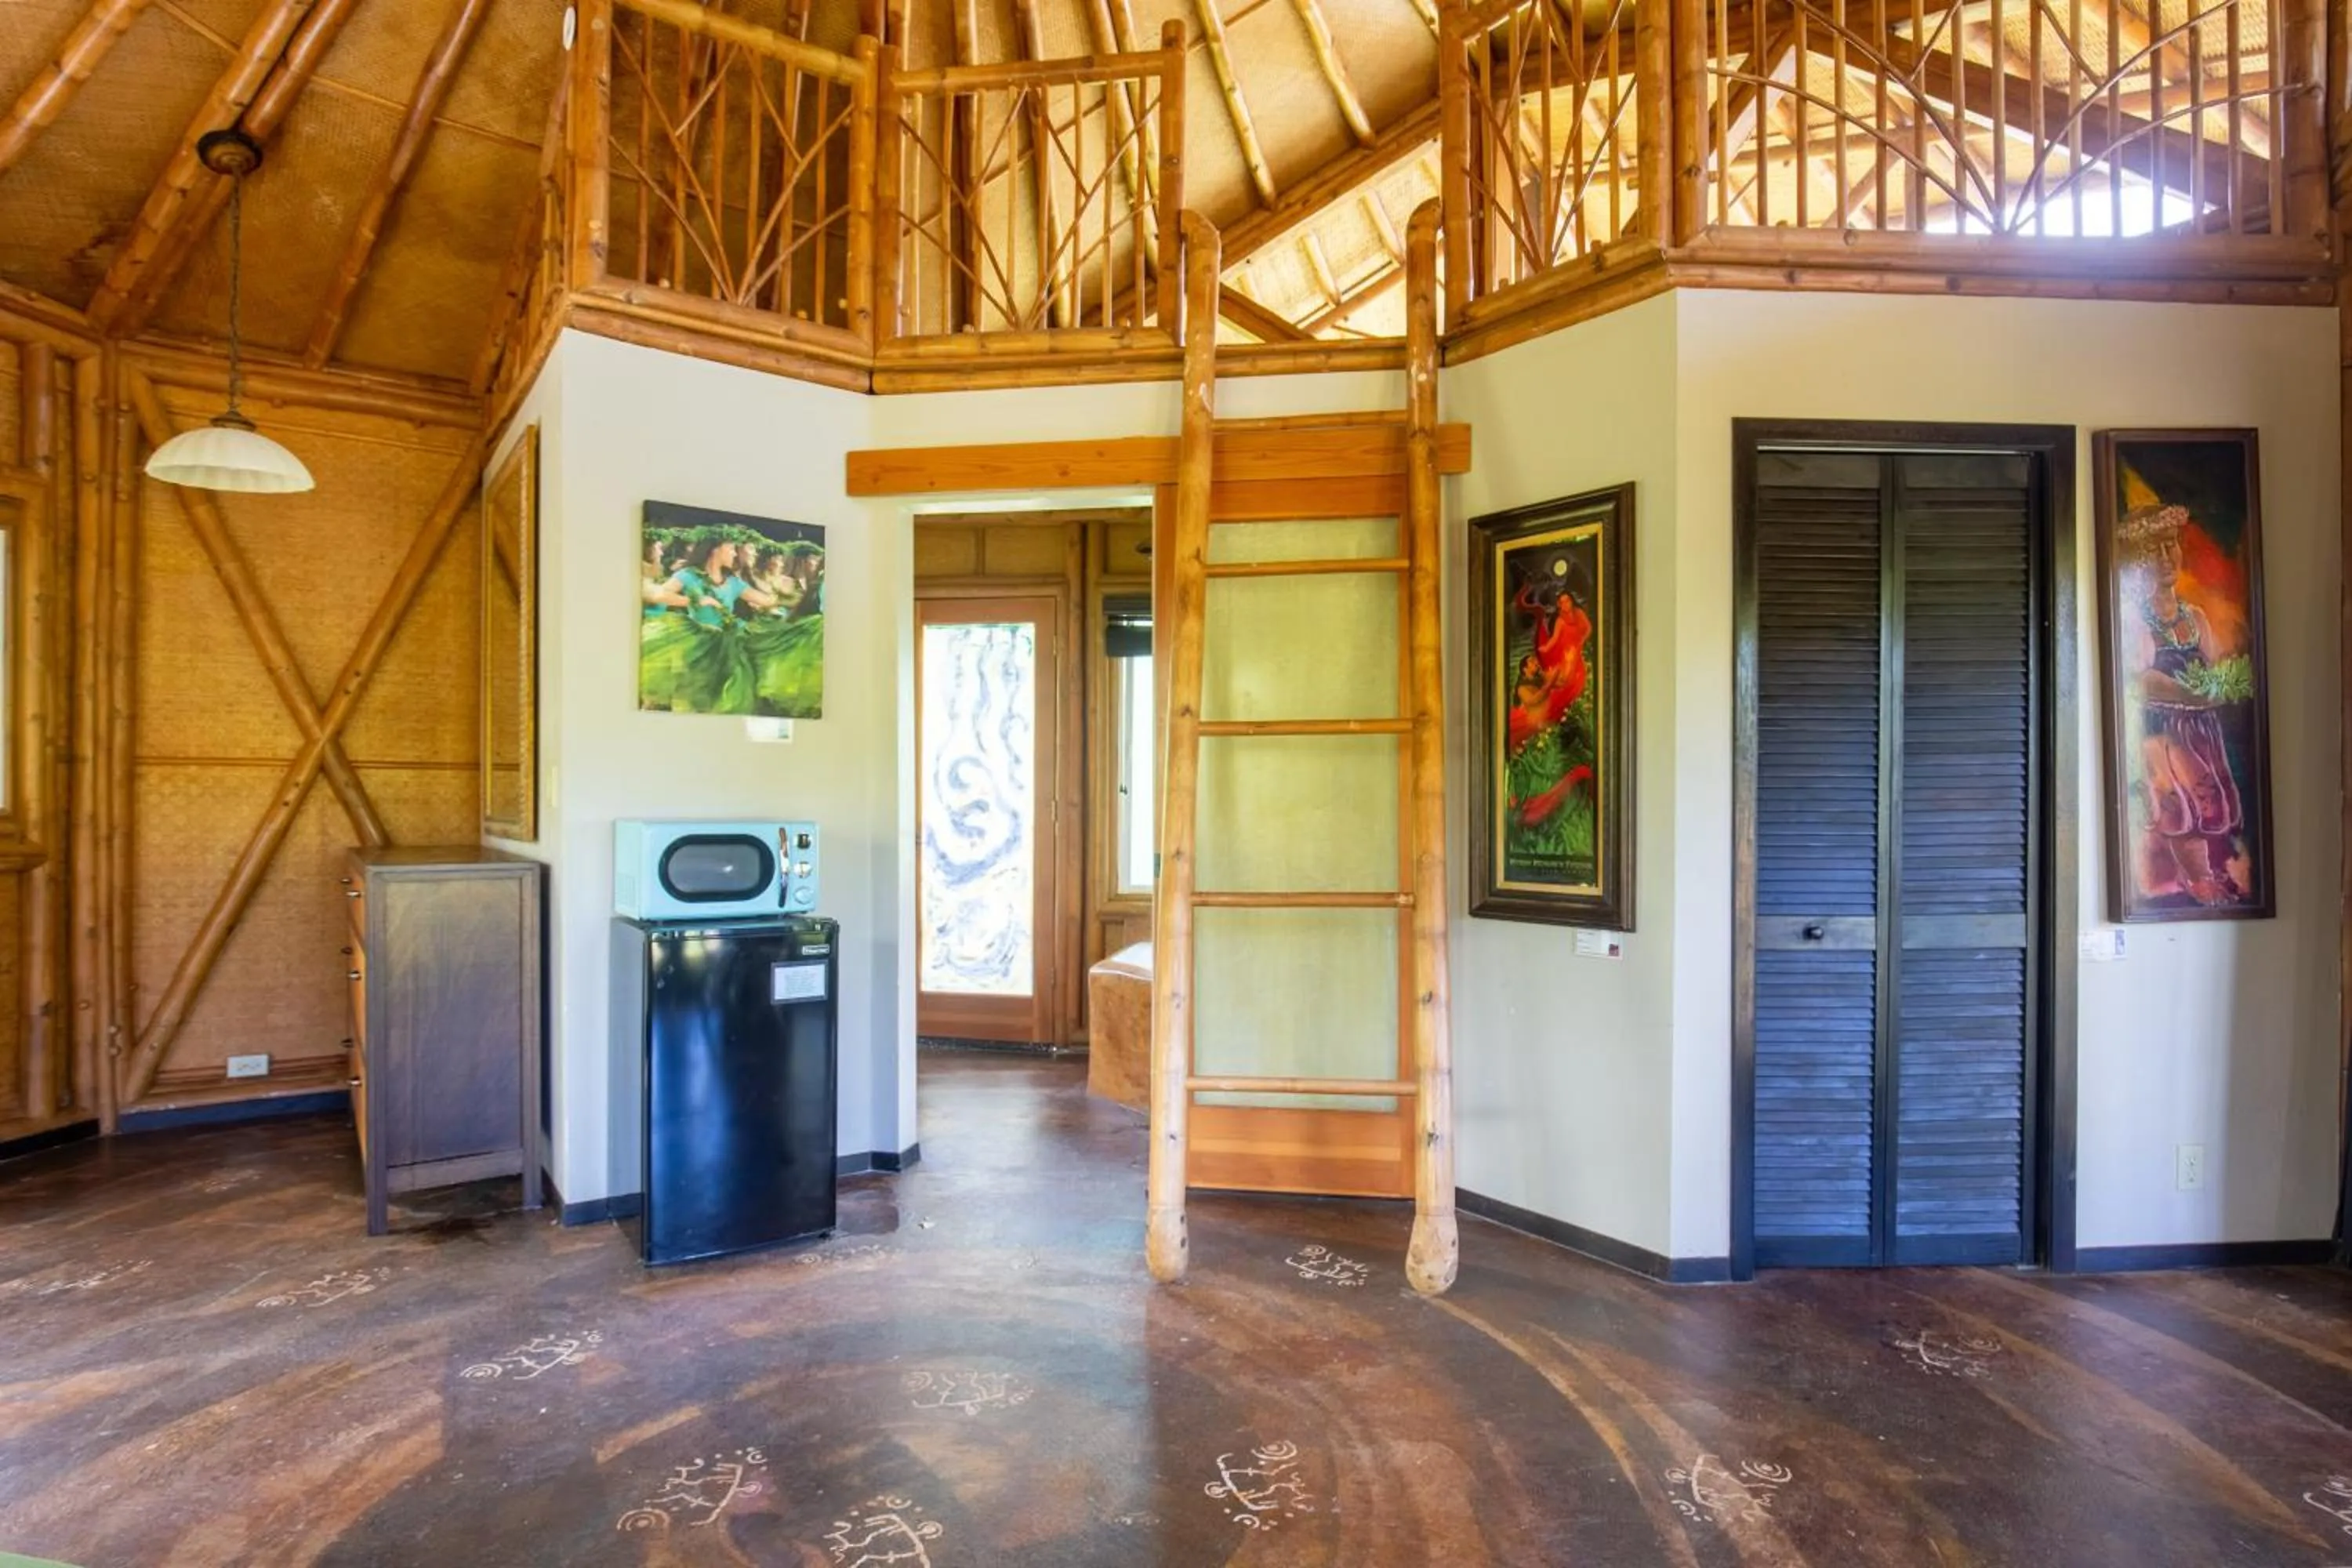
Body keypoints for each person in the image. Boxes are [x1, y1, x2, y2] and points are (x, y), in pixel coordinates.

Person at [2120, 503, 2245, 906]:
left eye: (2170, 546)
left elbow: (2212, 667)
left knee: (2207, 806)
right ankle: (2197, 881)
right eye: (2153, 550)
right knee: (2180, 809)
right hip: (2164, 735)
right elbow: (2141, 679)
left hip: (2201, 733)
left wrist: (2217, 686)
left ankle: (2210, 875)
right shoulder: (2136, 621)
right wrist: (2191, 692)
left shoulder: (2196, 618)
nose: (2164, 558)